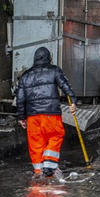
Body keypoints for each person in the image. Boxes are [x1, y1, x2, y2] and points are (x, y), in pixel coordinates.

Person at [16, 47, 77, 177]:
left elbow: (20, 99)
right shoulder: (54, 70)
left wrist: (21, 117)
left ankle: (38, 174)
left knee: (36, 144)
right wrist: (73, 101)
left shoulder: (25, 76)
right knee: (55, 136)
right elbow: (66, 86)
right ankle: (49, 167)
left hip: (32, 117)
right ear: (49, 58)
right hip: (51, 114)